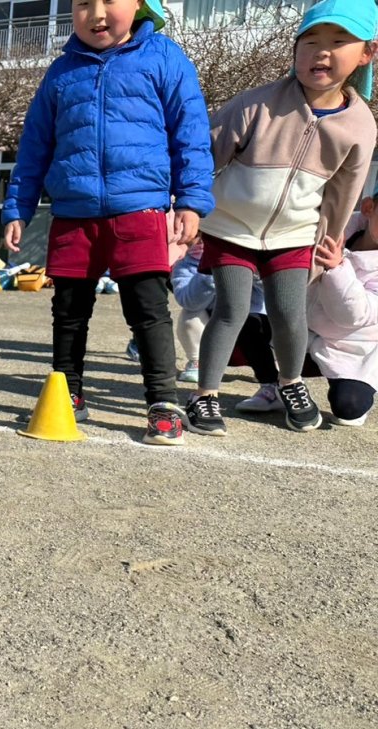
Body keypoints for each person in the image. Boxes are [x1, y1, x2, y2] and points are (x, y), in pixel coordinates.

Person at [2, 0, 214, 446]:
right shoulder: (61, 72)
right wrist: (17, 207)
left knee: (148, 310)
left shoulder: (164, 56)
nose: (96, 13)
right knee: (68, 312)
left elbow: (190, 133)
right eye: (82, 4)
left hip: (140, 209)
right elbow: (35, 145)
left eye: (108, 1)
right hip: (73, 213)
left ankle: (162, 402)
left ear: (138, 5)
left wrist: (191, 200)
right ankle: (68, 392)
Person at [184, 0, 378, 436]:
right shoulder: (259, 102)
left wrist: (329, 241)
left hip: (295, 234)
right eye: (309, 41)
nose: (320, 53)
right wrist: (186, 204)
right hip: (231, 226)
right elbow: (204, 152)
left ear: (367, 53)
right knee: (231, 310)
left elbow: (343, 192)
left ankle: (290, 384)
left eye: (338, 42)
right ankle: (205, 396)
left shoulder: (360, 124)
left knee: (289, 315)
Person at [171, 239, 284, 413]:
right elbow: (188, 301)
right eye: (200, 237)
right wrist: (211, 271)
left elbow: (270, 293)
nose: (203, 242)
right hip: (210, 319)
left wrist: (245, 275)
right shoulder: (184, 265)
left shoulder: (250, 253)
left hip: (252, 319)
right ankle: (197, 361)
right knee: (189, 317)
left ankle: (271, 375)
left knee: (252, 322)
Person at [305, 199, 378, 426]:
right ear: (368, 209)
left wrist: (337, 269)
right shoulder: (336, 227)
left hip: (357, 345)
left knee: (348, 408)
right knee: (249, 328)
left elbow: (353, 316)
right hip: (307, 330)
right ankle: (274, 386)